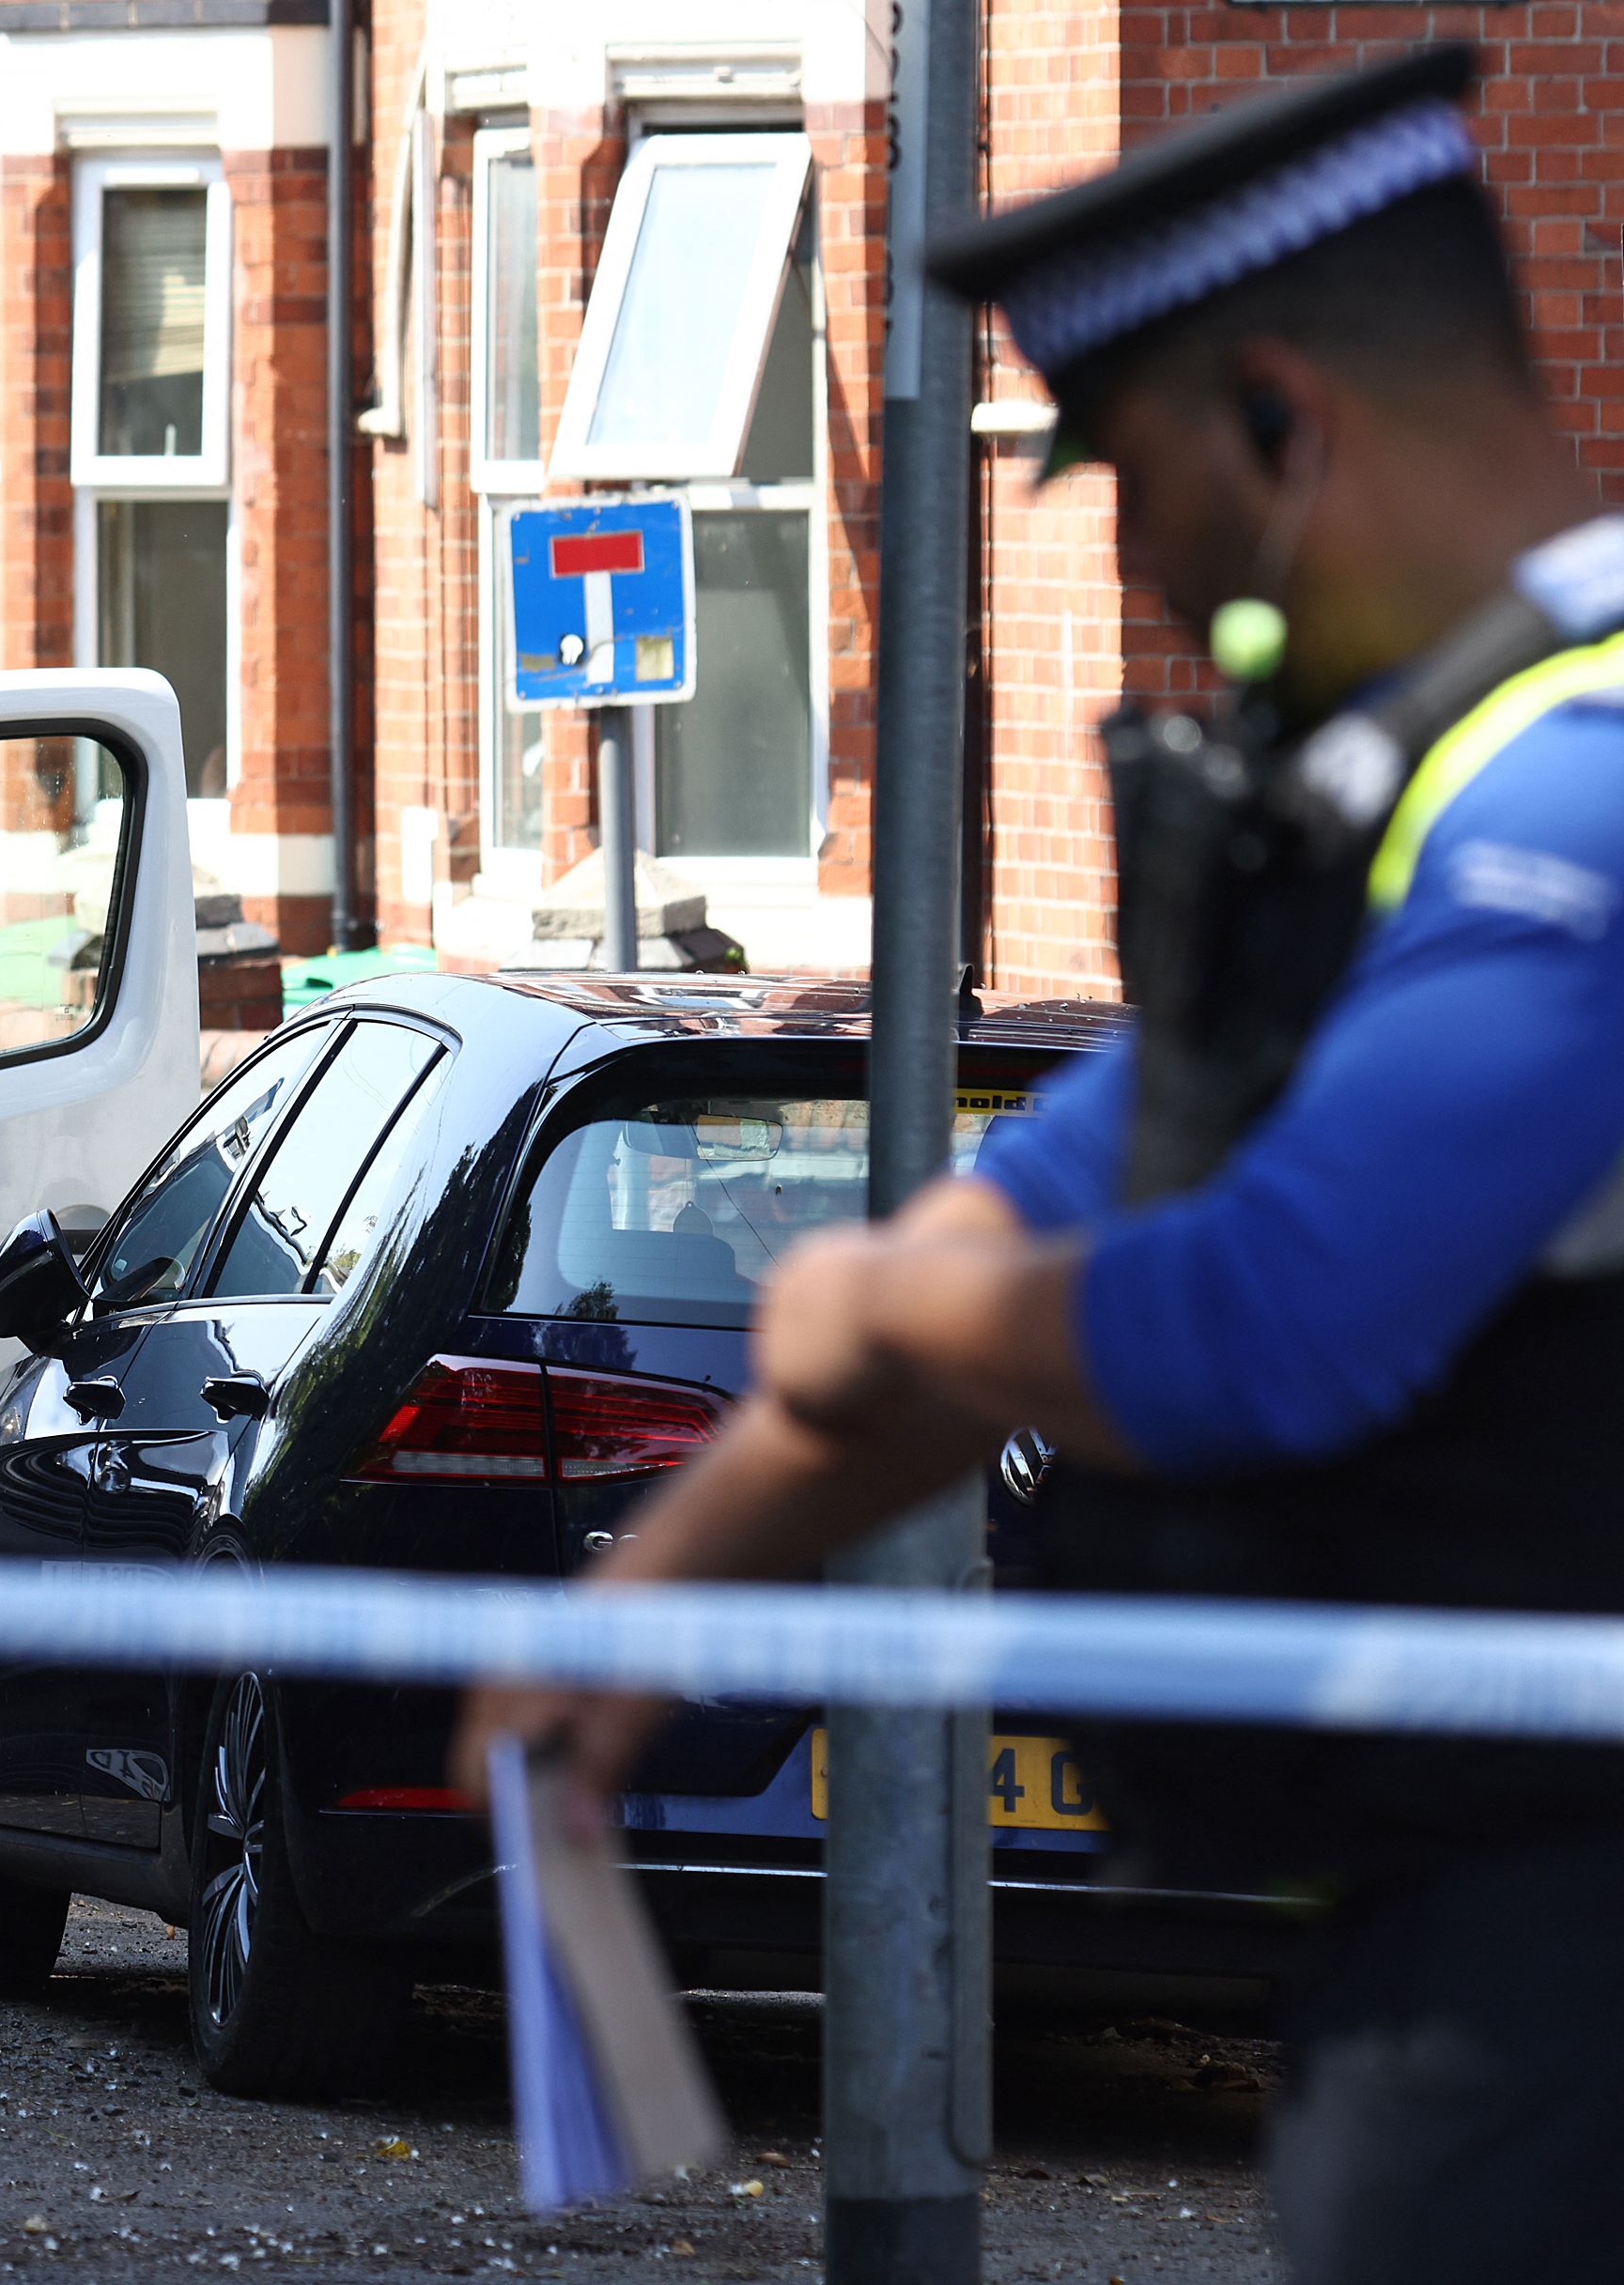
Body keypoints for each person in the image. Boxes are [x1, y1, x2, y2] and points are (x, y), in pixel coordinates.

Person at [452, 44, 1624, 2282]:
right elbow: (1041, 1212)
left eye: (1146, 487)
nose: (1156, 575)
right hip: (1448, 1932)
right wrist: (641, 1608)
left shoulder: (1568, 802)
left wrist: (863, 1299)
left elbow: (1263, 1318)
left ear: (1283, 427)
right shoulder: (1397, 791)